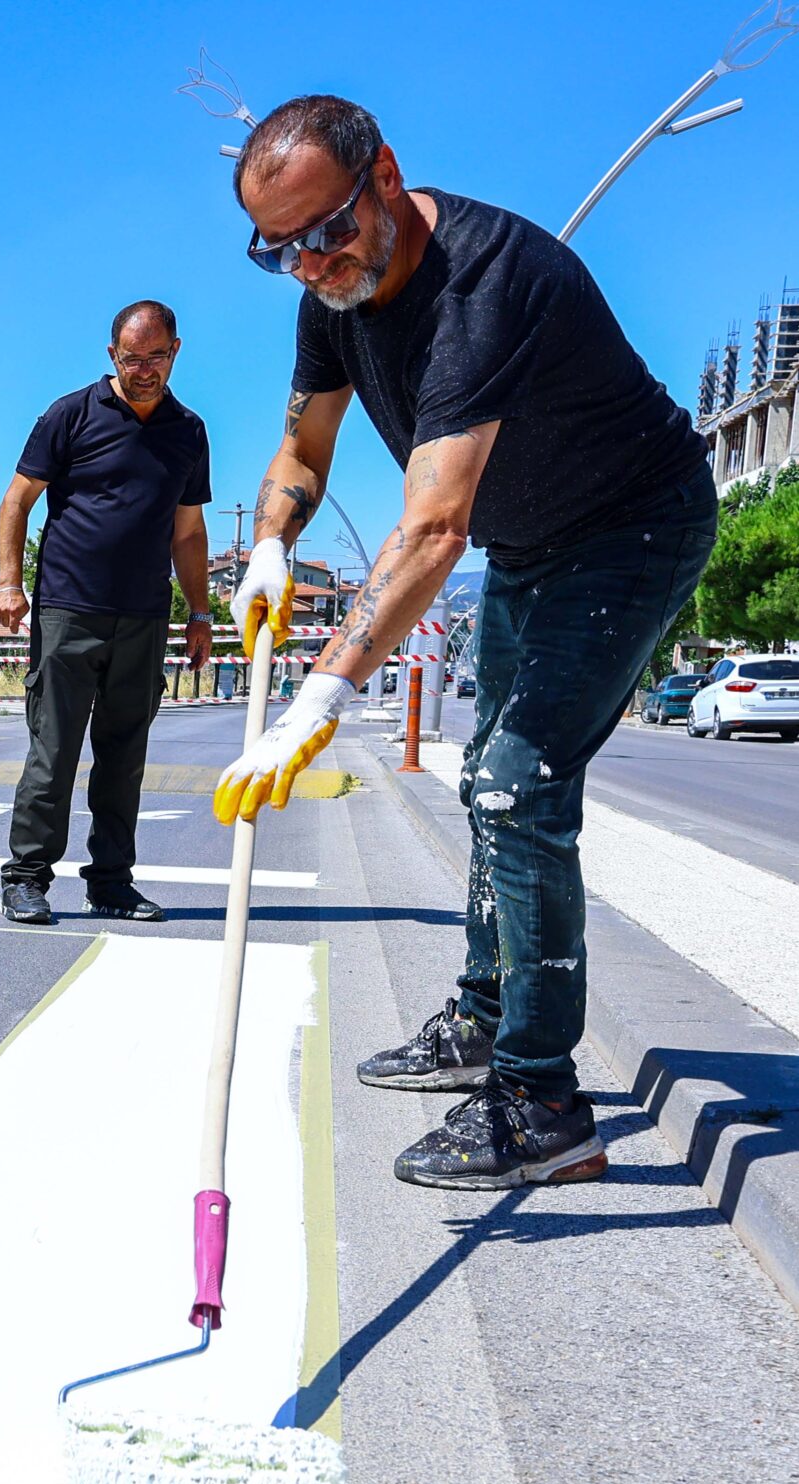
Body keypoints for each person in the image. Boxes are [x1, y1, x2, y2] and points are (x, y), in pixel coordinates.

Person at [215, 96, 714, 1189]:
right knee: (490, 775)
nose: (308, 263)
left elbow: (433, 526)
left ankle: (541, 1104)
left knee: (513, 779)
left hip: (631, 526)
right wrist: (266, 545)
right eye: (278, 249)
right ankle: (486, 1018)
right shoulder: (329, 292)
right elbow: (303, 446)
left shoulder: (487, 283)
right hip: (528, 543)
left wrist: (320, 698)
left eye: (326, 231)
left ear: (384, 176)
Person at [0, 302, 216, 926]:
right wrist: (10, 582)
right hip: (67, 610)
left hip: (143, 617)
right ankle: (26, 879)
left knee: (124, 757)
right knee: (54, 752)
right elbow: (16, 502)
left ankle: (111, 883)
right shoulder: (70, 415)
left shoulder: (188, 431)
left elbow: (189, 533)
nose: (145, 370)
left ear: (176, 350)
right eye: (132, 358)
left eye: (157, 357)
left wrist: (199, 613)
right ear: (112, 355)